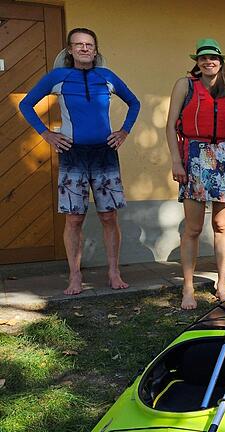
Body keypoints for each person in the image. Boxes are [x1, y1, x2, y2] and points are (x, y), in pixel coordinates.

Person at [19, 28, 140, 295]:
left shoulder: (107, 77)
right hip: (72, 155)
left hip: (104, 154)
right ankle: (75, 277)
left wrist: (124, 131)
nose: (84, 48)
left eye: (89, 44)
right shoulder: (58, 77)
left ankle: (113, 272)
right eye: (79, 44)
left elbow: (134, 102)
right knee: (74, 219)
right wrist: (47, 134)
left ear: (95, 50)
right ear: (70, 50)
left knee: (109, 216)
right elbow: (26, 104)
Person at [166, 38, 225, 309]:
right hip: (195, 156)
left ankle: (221, 284)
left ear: (221, 62)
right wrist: (176, 162)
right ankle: (188, 288)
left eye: (213, 57)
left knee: (221, 226)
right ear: (197, 62)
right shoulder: (184, 85)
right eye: (203, 58)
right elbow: (169, 126)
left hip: (224, 158)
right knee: (193, 228)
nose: (208, 61)